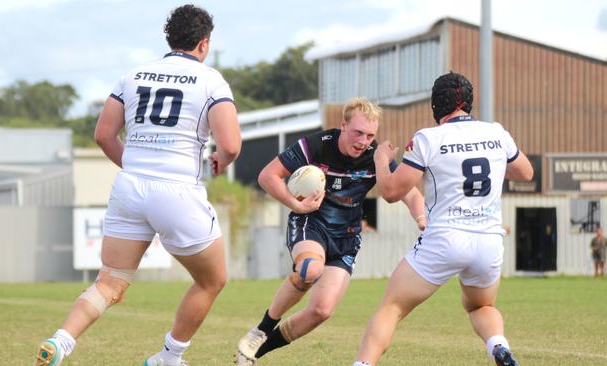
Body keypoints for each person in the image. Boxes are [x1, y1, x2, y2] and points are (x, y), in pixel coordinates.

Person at [35, 5, 241, 366]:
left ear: (169, 37)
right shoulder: (211, 81)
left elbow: (103, 135)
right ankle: (169, 357)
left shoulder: (132, 76)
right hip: (177, 191)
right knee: (212, 281)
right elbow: (232, 144)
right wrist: (221, 161)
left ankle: (61, 341)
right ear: (204, 43)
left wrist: (134, 165)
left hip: (129, 188)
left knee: (110, 283)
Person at [351, 72, 533, 366]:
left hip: (445, 238)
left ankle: (362, 365)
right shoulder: (497, 132)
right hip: (488, 240)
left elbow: (391, 191)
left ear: (436, 104)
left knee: (392, 307)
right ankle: (499, 346)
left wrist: (381, 160)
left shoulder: (428, 138)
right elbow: (526, 174)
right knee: (480, 306)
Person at [235, 97, 426, 365]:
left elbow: (412, 194)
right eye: (358, 132)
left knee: (321, 310)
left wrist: (421, 218)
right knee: (310, 270)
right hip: (311, 223)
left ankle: (253, 354)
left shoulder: (376, 157)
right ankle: (261, 330)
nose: (363, 141)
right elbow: (268, 176)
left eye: (370, 135)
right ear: (343, 125)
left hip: (346, 238)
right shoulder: (317, 145)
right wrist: (295, 205)